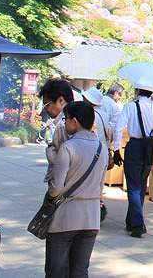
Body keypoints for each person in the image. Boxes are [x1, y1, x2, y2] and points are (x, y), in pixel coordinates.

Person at [44, 100, 107, 278]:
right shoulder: (102, 149)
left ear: (75, 121)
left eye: (66, 119)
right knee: (80, 271)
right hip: (91, 218)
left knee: (56, 271)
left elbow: (56, 189)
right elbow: (100, 185)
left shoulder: (68, 148)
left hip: (65, 217)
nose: (64, 123)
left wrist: (52, 158)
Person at [111, 87, 153, 238]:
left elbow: (119, 128)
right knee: (141, 184)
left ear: (137, 90)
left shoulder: (130, 106)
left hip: (134, 146)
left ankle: (137, 224)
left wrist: (116, 149)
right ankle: (131, 220)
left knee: (134, 186)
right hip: (150, 146)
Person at [81, 87, 114, 222]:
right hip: (103, 152)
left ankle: (90, 213)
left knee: (87, 183)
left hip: (91, 153)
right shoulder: (104, 114)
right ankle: (97, 211)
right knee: (98, 184)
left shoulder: (88, 114)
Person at [39, 78, 76, 182]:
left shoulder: (63, 125)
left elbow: (63, 164)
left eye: (47, 104)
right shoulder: (76, 119)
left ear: (61, 100)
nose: (45, 109)